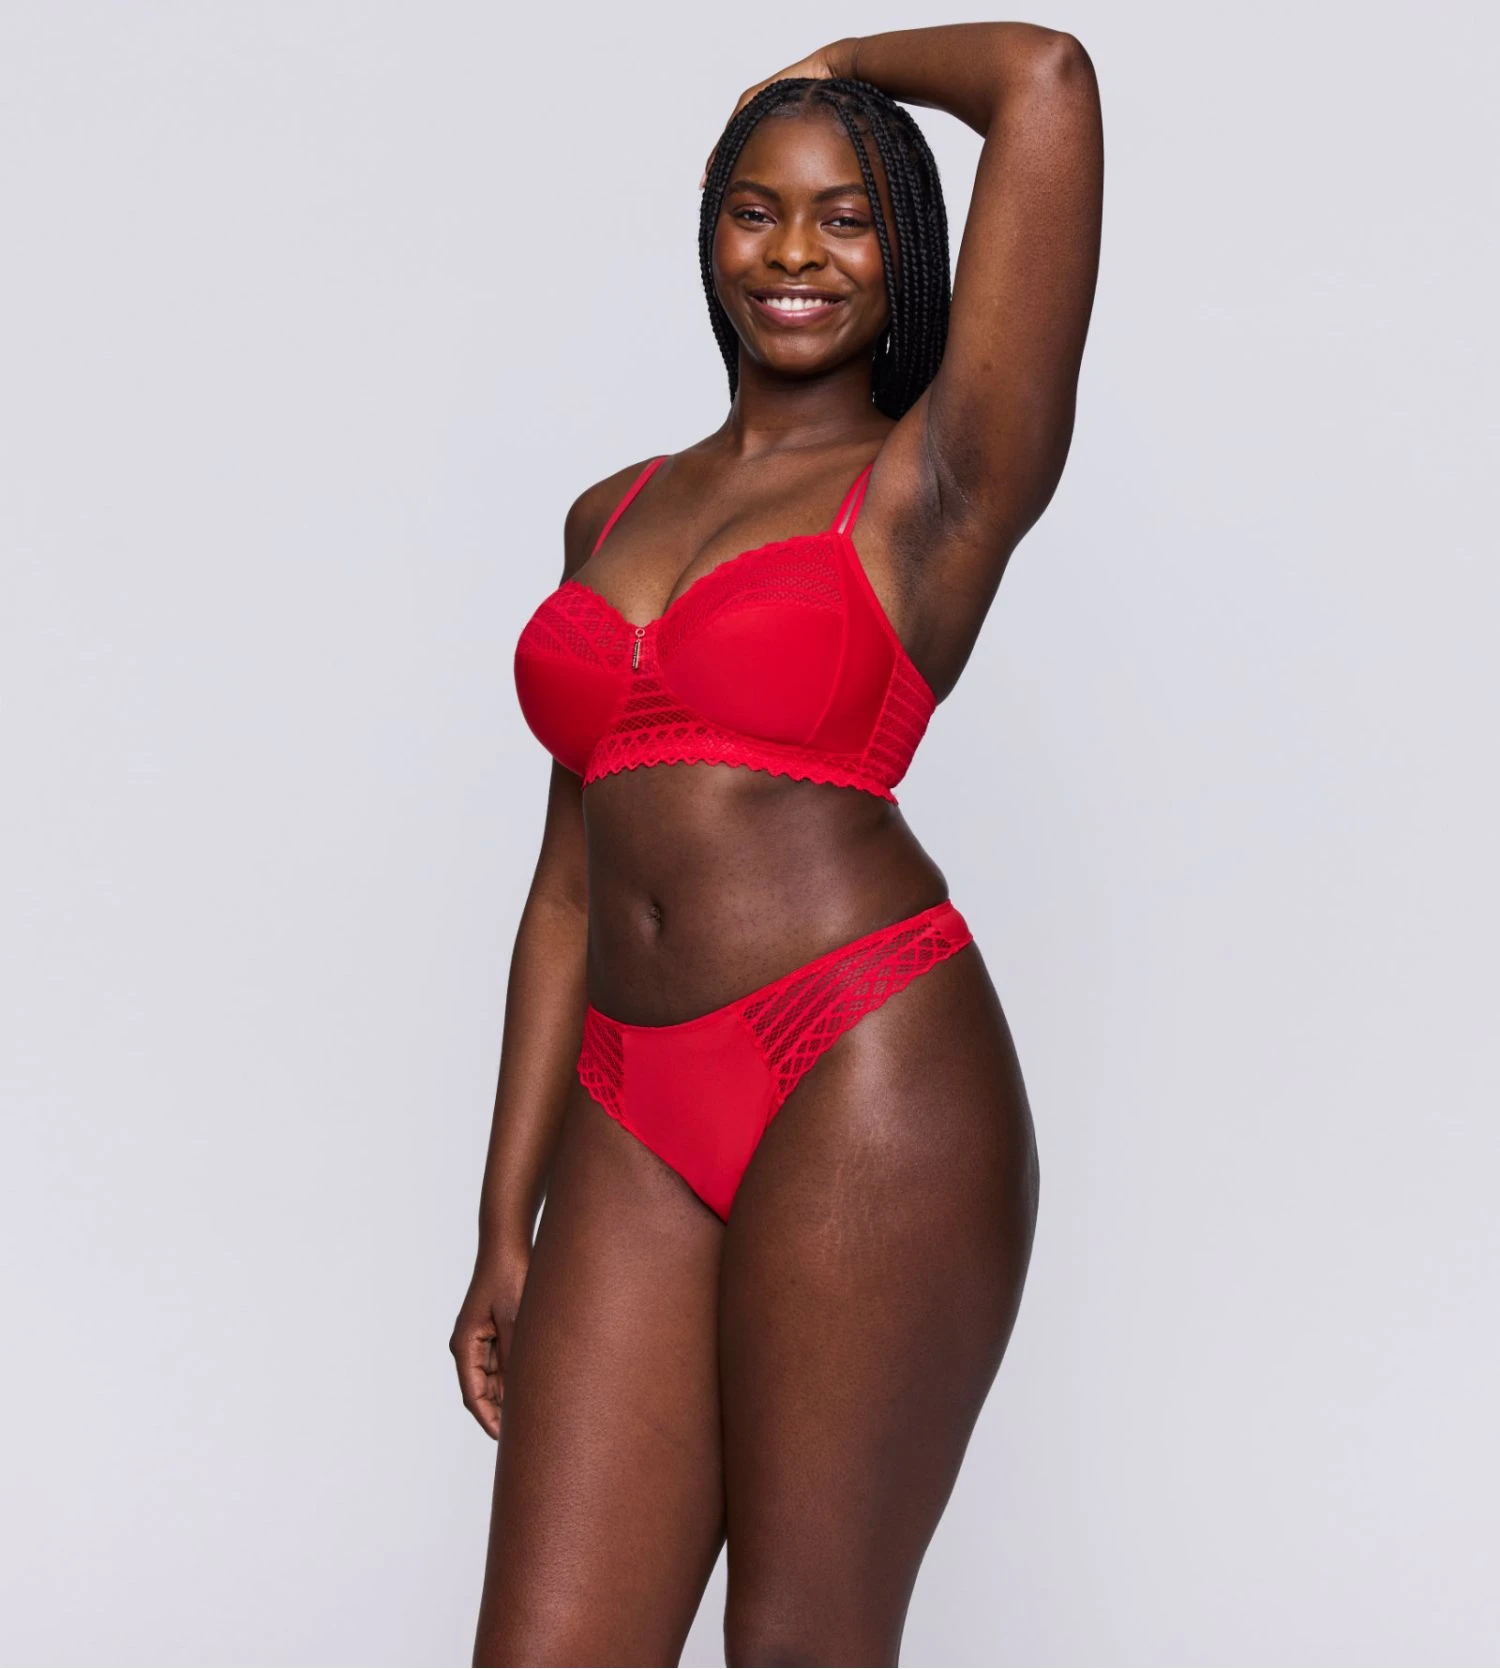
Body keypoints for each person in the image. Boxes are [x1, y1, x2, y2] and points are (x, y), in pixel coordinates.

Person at [452, 22, 1103, 1666]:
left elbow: (1046, 79)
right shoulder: (611, 512)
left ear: (909, 247)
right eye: (757, 210)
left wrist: (837, 59)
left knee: (801, 1647)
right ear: (709, 231)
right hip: (625, 1099)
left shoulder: (936, 481)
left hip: (862, 1064)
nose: (796, 252)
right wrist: (504, 1218)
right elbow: (567, 887)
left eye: (846, 215)